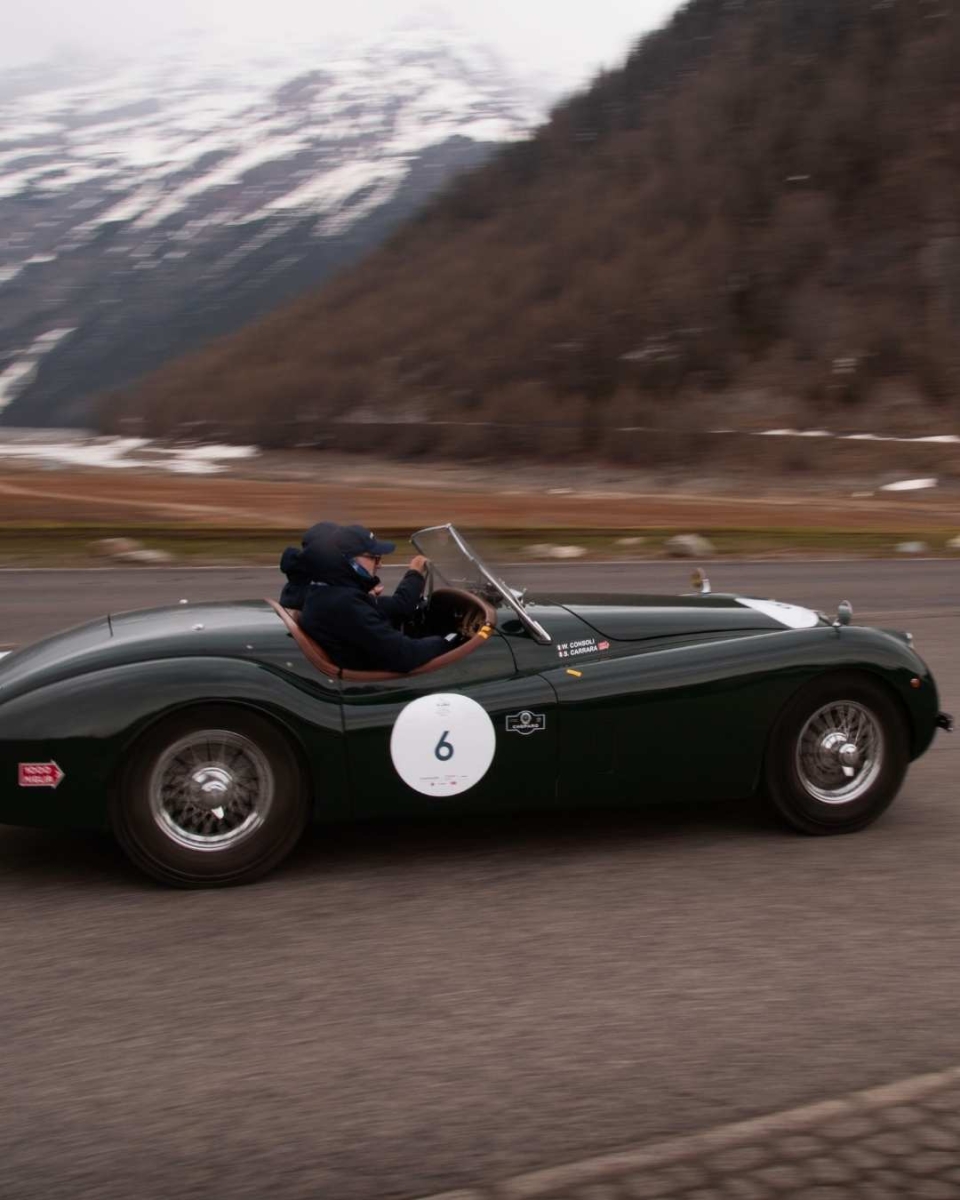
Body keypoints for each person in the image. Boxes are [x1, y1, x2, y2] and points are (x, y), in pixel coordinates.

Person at [292, 524, 453, 673]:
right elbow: (404, 655)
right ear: (347, 560)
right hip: (368, 689)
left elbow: (397, 608)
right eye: (374, 557)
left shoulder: (326, 592)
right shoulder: (344, 604)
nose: (380, 564)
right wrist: (446, 642)